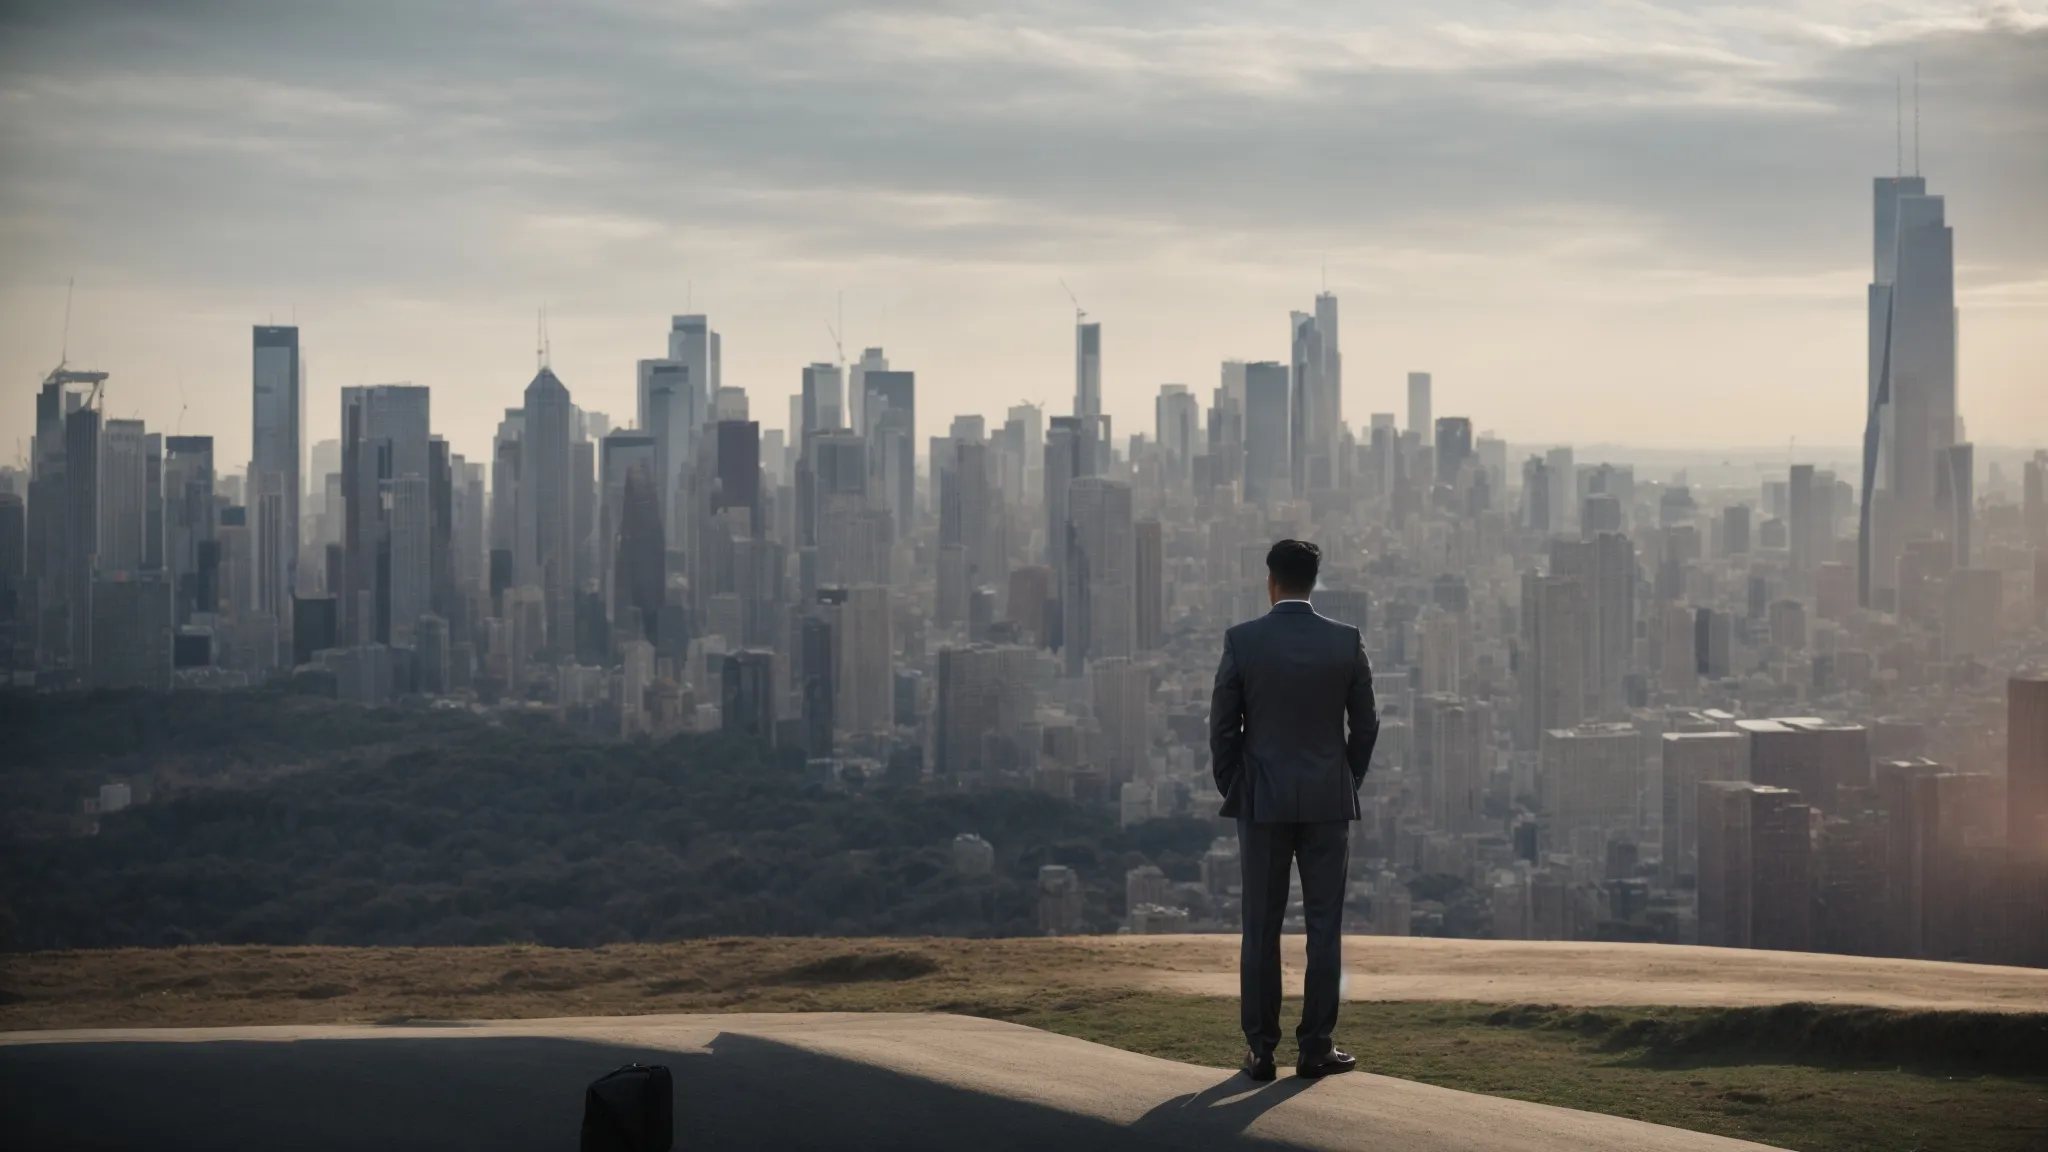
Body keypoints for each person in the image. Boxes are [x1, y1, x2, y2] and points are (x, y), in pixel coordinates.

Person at [1208, 539, 1379, 1081]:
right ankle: (1315, 1048)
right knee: (1324, 928)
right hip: (1328, 801)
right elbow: (1367, 725)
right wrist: (1346, 777)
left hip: (1262, 801)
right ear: (1314, 581)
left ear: (1271, 581)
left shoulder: (1243, 641)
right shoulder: (1346, 642)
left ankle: (1261, 1051)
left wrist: (1234, 784)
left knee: (1260, 926)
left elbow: (1222, 727)